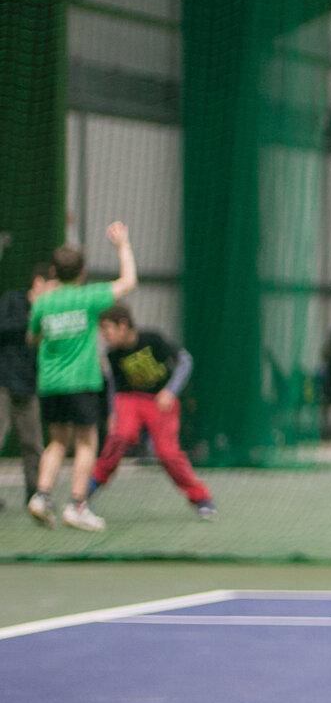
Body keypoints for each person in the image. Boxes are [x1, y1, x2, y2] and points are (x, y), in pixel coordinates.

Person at [27, 225, 137, 532]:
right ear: (82, 271)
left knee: (57, 442)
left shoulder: (43, 302)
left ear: (53, 271)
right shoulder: (89, 297)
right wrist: (122, 244)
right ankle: (77, 505)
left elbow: (32, 337)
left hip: (50, 384)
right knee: (87, 442)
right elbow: (129, 281)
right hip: (82, 382)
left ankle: (42, 496)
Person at [90, 305, 214, 518]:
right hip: (130, 399)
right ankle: (86, 492)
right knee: (120, 436)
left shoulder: (153, 339)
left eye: (107, 330)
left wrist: (170, 391)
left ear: (123, 326)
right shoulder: (112, 353)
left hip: (160, 401)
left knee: (167, 453)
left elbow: (185, 361)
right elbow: (113, 386)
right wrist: (112, 413)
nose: (104, 336)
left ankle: (201, 498)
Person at [1, 266, 40, 503]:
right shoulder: (12, 301)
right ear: (39, 282)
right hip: (3, 382)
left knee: (33, 444)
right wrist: (28, 323)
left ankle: (35, 494)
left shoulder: (49, 310)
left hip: (29, 386)